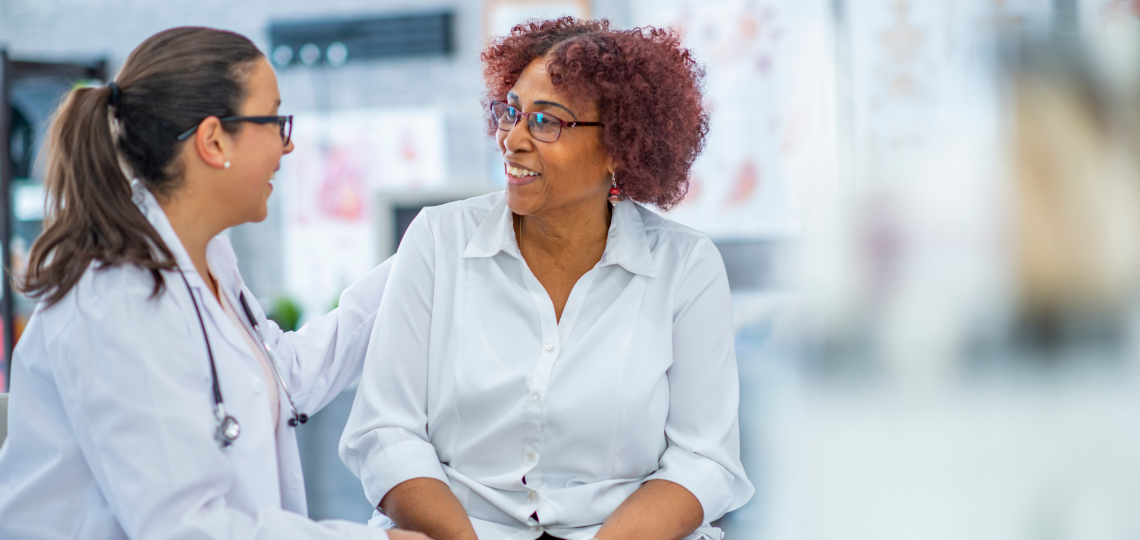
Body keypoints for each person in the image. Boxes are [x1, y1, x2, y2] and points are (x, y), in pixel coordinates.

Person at [0, 27, 427, 540]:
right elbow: (184, 527)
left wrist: (423, 256)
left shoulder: (207, 259)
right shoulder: (118, 296)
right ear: (213, 139)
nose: (287, 145)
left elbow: (281, 378)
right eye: (274, 120)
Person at [340, 17, 754, 540]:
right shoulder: (438, 240)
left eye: (546, 122)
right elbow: (385, 432)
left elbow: (703, 460)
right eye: (511, 113)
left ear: (621, 146)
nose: (512, 139)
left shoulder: (686, 267)